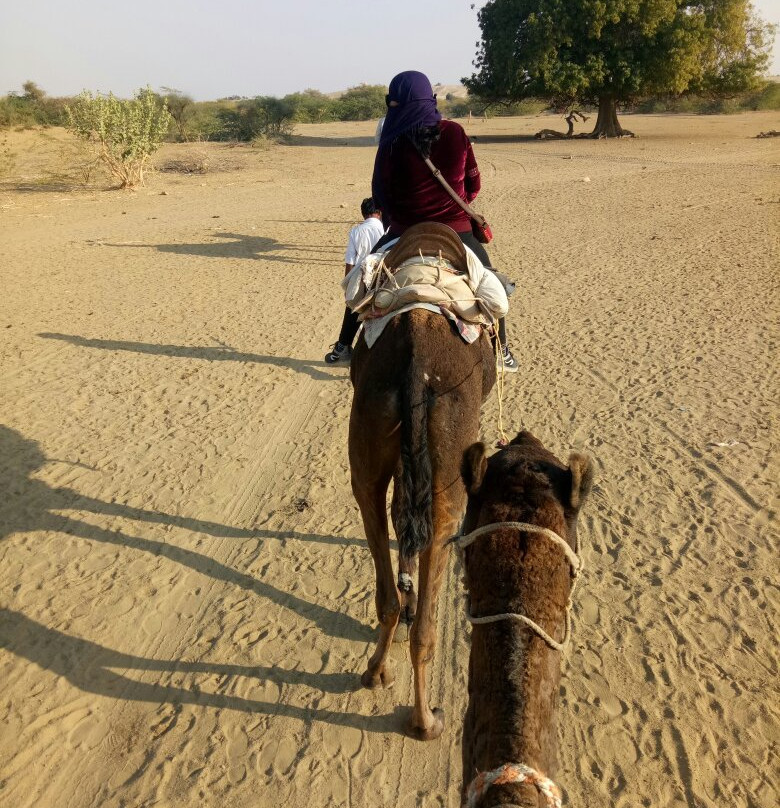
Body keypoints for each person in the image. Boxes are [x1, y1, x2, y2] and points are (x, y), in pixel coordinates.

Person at [371, 70, 518, 371]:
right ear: (432, 99)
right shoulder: (455, 132)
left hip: (403, 231)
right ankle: (502, 352)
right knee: (490, 284)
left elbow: (380, 194)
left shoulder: (390, 141)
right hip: (458, 233)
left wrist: (399, 214)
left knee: (366, 281)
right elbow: (473, 185)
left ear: (392, 103)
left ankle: (344, 344)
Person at [324, 197, 385, 364]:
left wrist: (348, 287)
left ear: (363, 214)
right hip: (385, 278)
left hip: (362, 278)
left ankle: (342, 347)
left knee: (353, 309)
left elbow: (350, 261)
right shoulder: (387, 229)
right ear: (379, 212)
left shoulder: (356, 232)